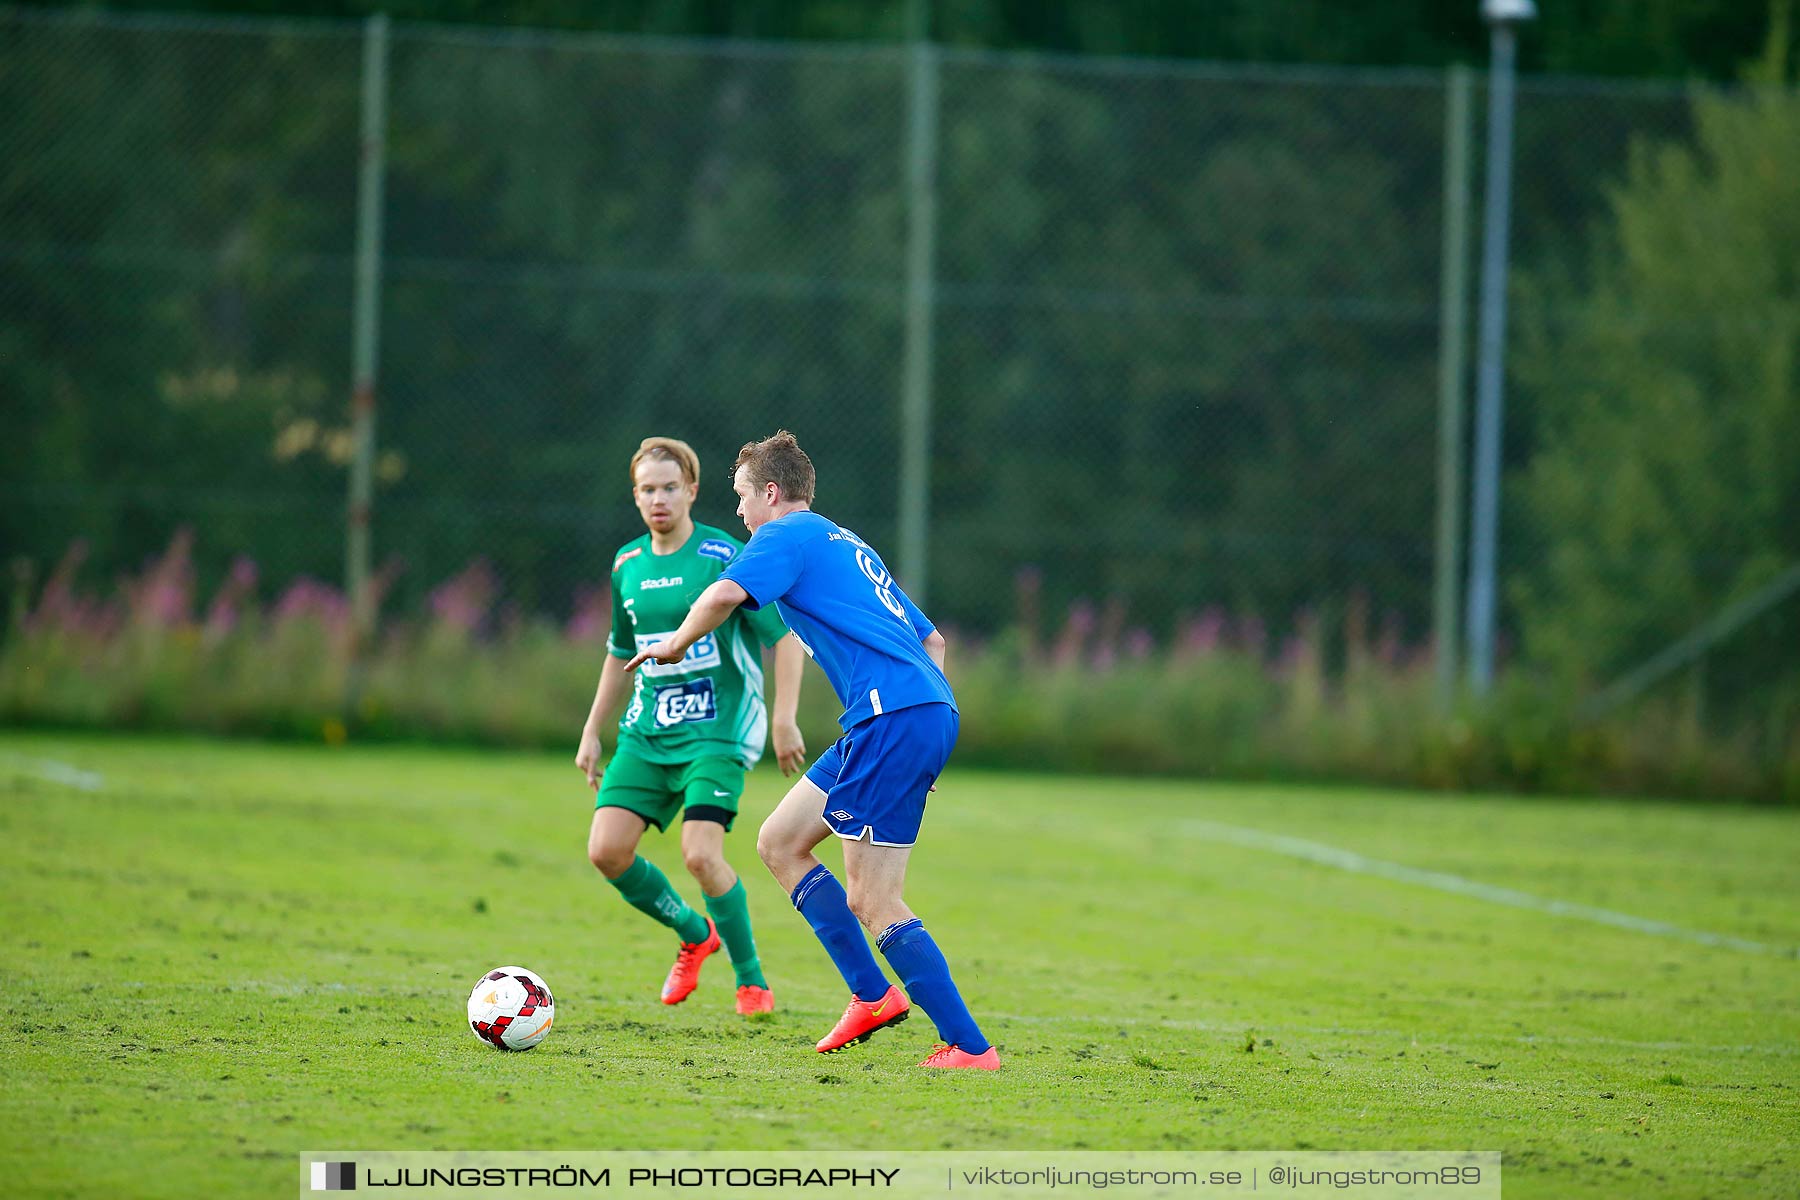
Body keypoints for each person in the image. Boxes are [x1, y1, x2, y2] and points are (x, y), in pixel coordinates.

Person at [624, 431, 998, 1070]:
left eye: (742, 497)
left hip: (892, 718)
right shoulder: (844, 540)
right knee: (779, 841)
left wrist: (675, 644)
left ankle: (967, 1045)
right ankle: (871, 995)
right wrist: (926, 733)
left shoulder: (782, 537)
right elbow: (933, 641)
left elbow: (720, 596)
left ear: (771, 493)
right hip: (906, 715)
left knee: (873, 899)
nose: (739, 513)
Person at [577, 436, 807, 1017]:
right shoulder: (626, 565)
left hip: (718, 731)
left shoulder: (722, 554)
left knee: (700, 855)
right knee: (606, 851)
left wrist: (784, 719)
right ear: (635, 496)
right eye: (648, 489)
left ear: (692, 491)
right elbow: (618, 650)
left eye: (670, 488)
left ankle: (751, 980)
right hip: (647, 732)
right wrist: (591, 728)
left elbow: (783, 638)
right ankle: (692, 933)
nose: (659, 499)